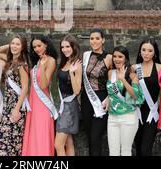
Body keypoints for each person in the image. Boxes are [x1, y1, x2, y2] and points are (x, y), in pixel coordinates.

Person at [0, 35, 30, 156]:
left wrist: (16, 109)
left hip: (16, 106)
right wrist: (12, 45)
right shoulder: (9, 61)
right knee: (1, 140)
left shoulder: (22, 65)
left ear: (23, 47)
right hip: (7, 105)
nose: (14, 46)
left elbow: (25, 88)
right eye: (12, 43)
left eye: (18, 44)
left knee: (11, 142)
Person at [22, 35, 59, 156]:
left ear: (46, 45)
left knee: (42, 134)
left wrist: (42, 68)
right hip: (33, 102)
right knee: (33, 135)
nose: (37, 49)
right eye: (34, 47)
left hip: (43, 104)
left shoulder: (51, 60)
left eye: (39, 46)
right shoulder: (37, 61)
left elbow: (43, 85)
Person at [106, 46, 144, 156]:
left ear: (126, 58)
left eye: (120, 56)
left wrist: (123, 79)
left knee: (126, 151)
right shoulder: (110, 73)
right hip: (112, 117)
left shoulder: (133, 76)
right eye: (115, 56)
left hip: (128, 117)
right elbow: (111, 93)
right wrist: (108, 100)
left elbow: (135, 96)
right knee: (113, 152)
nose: (117, 59)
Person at [81, 28, 113, 156]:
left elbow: (114, 80)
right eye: (92, 38)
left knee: (96, 137)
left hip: (101, 99)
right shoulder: (85, 55)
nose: (94, 41)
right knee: (90, 137)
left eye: (97, 38)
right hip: (86, 100)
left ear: (103, 40)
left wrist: (110, 98)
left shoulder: (109, 57)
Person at [132, 37, 161, 156]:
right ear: (140, 51)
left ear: (155, 52)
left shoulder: (160, 68)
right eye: (143, 50)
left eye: (150, 50)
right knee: (138, 148)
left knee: (146, 149)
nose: (146, 53)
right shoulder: (134, 68)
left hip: (152, 113)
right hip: (136, 112)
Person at [55, 35, 82, 156]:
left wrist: (71, 73)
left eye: (67, 46)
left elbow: (77, 91)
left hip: (69, 106)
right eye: (62, 47)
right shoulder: (64, 62)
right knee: (68, 142)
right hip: (62, 104)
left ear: (73, 47)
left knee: (58, 144)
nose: (64, 49)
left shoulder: (77, 64)